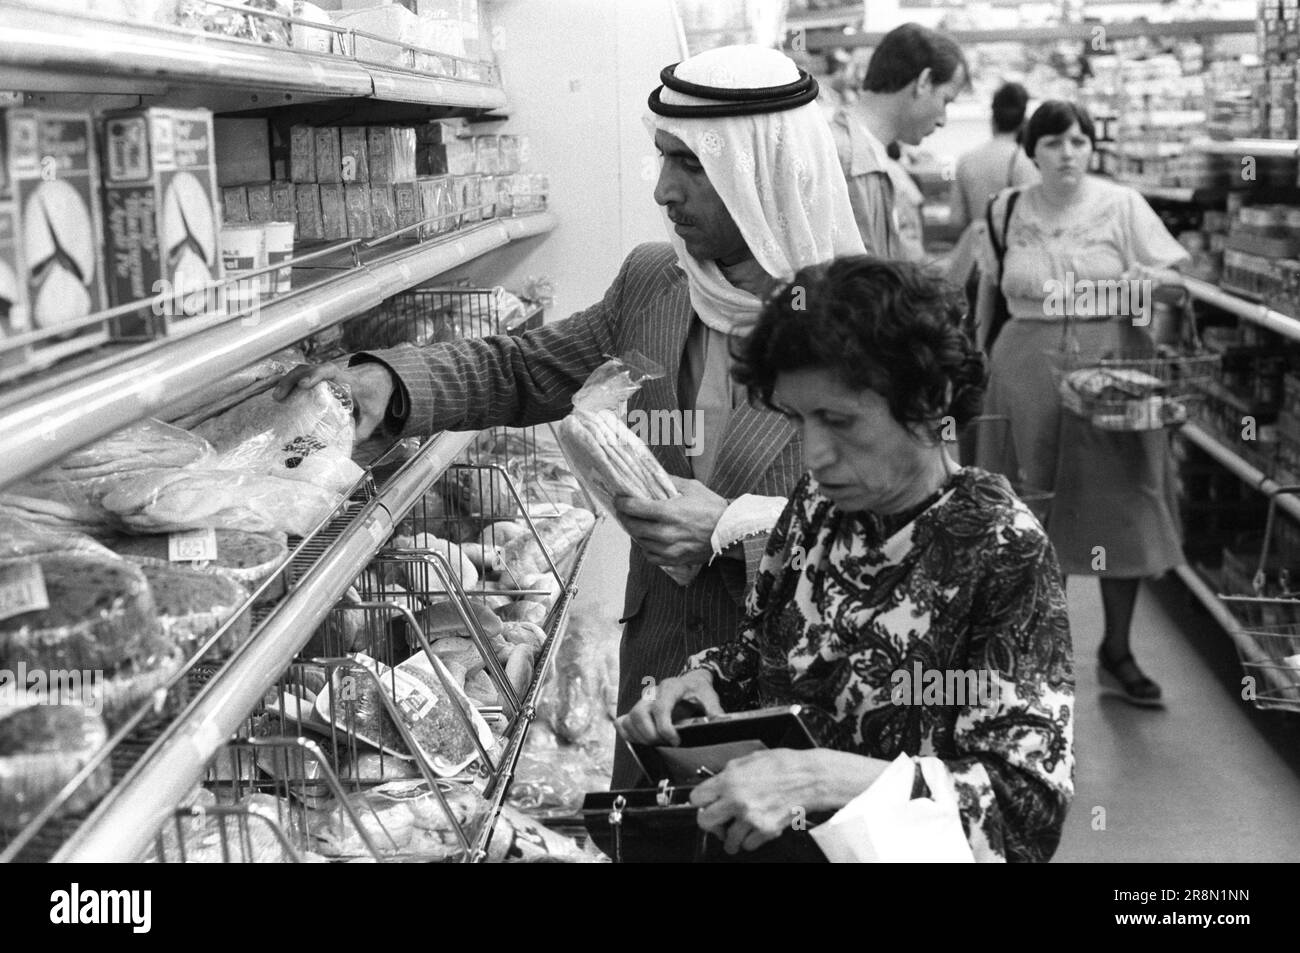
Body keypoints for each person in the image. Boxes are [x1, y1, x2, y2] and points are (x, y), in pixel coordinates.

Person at [274, 45, 866, 789]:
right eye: (661, 158)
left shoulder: (865, 331)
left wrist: (734, 524)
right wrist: (389, 381)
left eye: (690, 165)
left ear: (762, 175)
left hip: (794, 707)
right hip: (657, 689)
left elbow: (908, 542)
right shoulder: (657, 283)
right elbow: (524, 368)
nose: (663, 190)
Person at [617, 257, 1075, 863]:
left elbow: (1024, 811)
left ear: (927, 399)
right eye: (799, 419)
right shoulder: (817, 507)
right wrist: (703, 683)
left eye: (839, 421)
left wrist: (820, 779)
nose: (816, 454)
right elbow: (760, 650)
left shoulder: (1001, 550)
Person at [974, 101, 1189, 707]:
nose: (1067, 153)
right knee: (1031, 512)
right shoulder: (1005, 210)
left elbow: (1176, 281)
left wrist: (1131, 286)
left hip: (1111, 367)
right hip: (1024, 370)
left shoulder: (1121, 205)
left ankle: (1117, 652)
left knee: (1121, 504)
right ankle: (1039, 661)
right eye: (1053, 143)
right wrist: (971, 365)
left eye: (1078, 141)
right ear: (1031, 150)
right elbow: (989, 297)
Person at [830, 22, 968, 259]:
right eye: (946, 100)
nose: (943, 120)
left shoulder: (866, 155)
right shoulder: (844, 158)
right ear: (924, 81)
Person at [948, 81, 1039, 234]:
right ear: (1023, 121)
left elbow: (956, 220)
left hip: (977, 250)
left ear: (993, 118)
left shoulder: (967, 160)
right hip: (1013, 252)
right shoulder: (1026, 162)